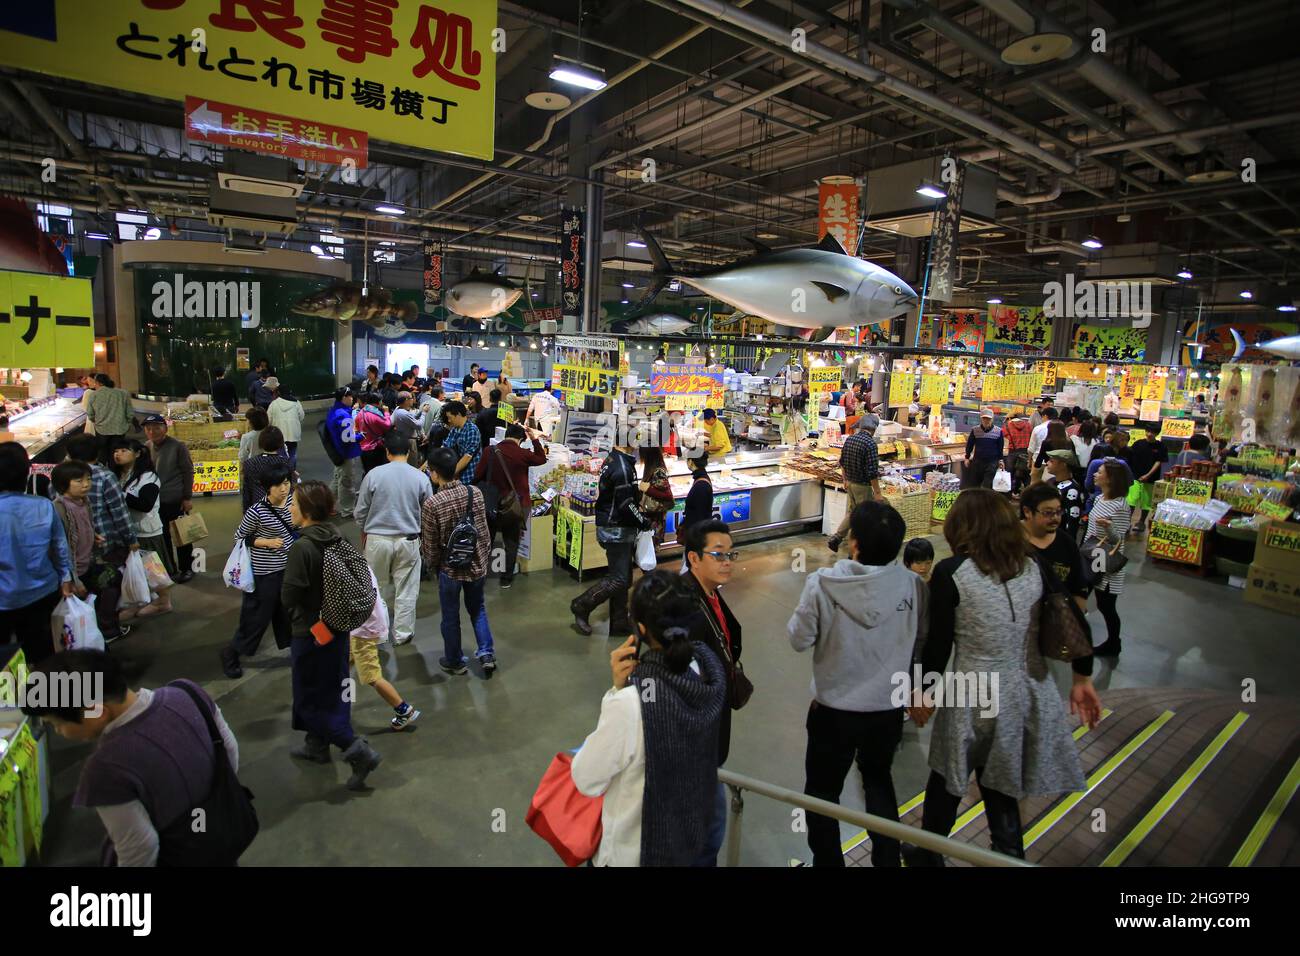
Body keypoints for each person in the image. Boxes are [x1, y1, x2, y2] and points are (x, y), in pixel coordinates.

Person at [906, 490, 1100, 865]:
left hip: (972, 689)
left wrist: (924, 690)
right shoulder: (1032, 563)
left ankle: (929, 856)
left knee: (947, 777)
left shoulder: (952, 572)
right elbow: (1073, 617)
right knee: (1001, 782)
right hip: (1025, 686)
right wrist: (1082, 678)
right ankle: (1009, 856)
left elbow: (938, 645)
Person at [789, 500, 925, 868]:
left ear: (855, 544)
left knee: (821, 793)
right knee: (879, 782)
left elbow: (798, 639)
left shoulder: (822, 584)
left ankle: (829, 864)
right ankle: (886, 860)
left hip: (833, 711)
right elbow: (919, 642)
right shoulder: (913, 586)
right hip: (886, 710)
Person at [21, 649, 244, 866]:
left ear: (96, 711)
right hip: (222, 837)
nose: (59, 732)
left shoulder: (105, 769)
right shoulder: (187, 693)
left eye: (56, 724)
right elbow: (229, 750)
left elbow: (140, 848)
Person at [571, 571, 727, 867]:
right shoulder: (710, 673)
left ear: (640, 629)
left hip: (636, 854)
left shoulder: (632, 704)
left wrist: (615, 693)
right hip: (690, 842)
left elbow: (586, 779)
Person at [280, 480, 382, 789]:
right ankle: (316, 747)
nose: (290, 508)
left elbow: (289, 596)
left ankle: (357, 751)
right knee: (332, 691)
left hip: (310, 634)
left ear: (308, 511)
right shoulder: (336, 536)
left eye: (294, 504)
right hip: (336, 629)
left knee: (311, 697)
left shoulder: (302, 547)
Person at [682, 519, 744, 866]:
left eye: (730, 554)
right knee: (708, 827)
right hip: (698, 737)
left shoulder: (710, 594)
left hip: (712, 729)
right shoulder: (688, 609)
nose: (727, 562)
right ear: (693, 558)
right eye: (718, 555)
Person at [421, 447, 496, 677]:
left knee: (450, 615)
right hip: (476, 565)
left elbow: (431, 544)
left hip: (450, 569)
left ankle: (455, 661)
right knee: (478, 609)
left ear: (434, 474)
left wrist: (433, 567)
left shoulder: (432, 504)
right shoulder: (475, 493)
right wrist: (482, 558)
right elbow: (483, 531)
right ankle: (486, 654)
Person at [220, 461, 297, 678]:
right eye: (278, 485)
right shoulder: (257, 511)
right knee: (257, 617)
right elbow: (240, 537)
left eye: (286, 483)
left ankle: (297, 651)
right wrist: (265, 542)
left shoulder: (294, 501)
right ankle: (231, 653)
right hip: (265, 572)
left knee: (289, 613)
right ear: (267, 487)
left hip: (289, 568)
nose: (284, 488)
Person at [355, 433, 431, 647]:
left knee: (375, 587)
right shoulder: (420, 477)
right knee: (406, 589)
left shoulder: (373, 475)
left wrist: (364, 528)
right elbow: (428, 511)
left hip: (377, 539)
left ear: (387, 452)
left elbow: (361, 511)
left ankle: (377, 632)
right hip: (408, 540)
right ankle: (402, 634)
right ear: (409, 452)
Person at [0, 444, 73, 665]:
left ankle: (12, 696)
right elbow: (60, 546)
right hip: (42, 591)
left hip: (3, 599)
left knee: (5, 659)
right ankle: (49, 696)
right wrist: (66, 578)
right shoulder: (43, 505)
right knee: (44, 651)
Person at [51, 461, 132, 644]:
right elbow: (60, 545)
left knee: (112, 583)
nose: (86, 484)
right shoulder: (59, 508)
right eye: (79, 481)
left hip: (89, 562)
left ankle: (102, 628)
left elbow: (82, 527)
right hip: (74, 571)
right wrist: (72, 580)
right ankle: (98, 633)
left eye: (88, 479)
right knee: (94, 596)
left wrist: (93, 535)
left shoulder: (83, 501)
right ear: (63, 484)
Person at [570, 436, 641, 637]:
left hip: (613, 527)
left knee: (624, 578)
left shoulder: (614, 459)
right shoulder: (622, 468)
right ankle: (581, 605)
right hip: (616, 529)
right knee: (618, 578)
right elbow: (626, 504)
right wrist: (642, 521)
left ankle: (619, 622)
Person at [474, 422, 547, 588]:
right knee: (511, 541)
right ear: (520, 439)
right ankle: (506, 579)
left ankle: (483, 575)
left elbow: (478, 475)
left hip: (492, 504)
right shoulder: (523, 453)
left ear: (506, 434)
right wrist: (534, 439)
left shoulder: (489, 451)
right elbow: (542, 459)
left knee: (488, 539)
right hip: (516, 504)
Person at [110, 438, 172, 617]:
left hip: (147, 530)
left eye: (123, 450)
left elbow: (145, 504)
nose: (118, 454)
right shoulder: (118, 475)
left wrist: (119, 494)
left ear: (137, 453)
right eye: (116, 451)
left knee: (153, 569)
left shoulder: (149, 477)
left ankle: (163, 601)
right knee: (136, 568)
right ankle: (140, 599)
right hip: (128, 531)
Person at [1084, 461, 1132, 658]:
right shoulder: (1099, 499)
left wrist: (1108, 528)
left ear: (1110, 478)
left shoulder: (1120, 505)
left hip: (1106, 562)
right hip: (1091, 555)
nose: (1095, 474)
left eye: (1100, 472)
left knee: (1106, 604)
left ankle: (1114, 643)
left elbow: (1118, 539)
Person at [142, 416, 195, 584]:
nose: (152, 431)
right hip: (155, 502)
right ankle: (169, 568)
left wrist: (187, 497)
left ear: (165, 428)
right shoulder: (146, 447)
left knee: (181, 536)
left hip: (175, 499)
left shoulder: (178, 447)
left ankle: (187, 568)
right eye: (148, 428)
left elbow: (188, 471)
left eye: (156, 427)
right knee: (162, 537)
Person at [1020, 483, 1089, 610]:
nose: (1055, 518)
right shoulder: (1009, 540)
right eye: (1048, 513)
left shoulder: (1066, 543)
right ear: (1027, 511)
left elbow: (1078, 587)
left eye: (1058, 511)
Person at [828, 414, 882, 553]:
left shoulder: (850, 439)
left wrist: (845, 480)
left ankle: (837, 538)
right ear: (874, 429)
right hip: (862, 486)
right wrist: (877, 492)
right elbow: (872, 472)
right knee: (864, 518)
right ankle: (858, 549)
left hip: (850, 483)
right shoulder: (870, 444)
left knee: (852, 513)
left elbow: (842, 462)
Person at [326, 387, 363, 519]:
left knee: (337, 479)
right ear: (344, 398)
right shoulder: (343, 415)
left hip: (338, 451)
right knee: (346, 482)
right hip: (346, 452)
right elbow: (348, 438)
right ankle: (347, 510)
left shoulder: (334, 411)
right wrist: (360, 436)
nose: (352, 399)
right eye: (350, 396)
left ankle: (327, 505)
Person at [1126, 422, 1167, 536]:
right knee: (1131, 501)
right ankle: (1127, 522)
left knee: (1146, 503)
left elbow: (1159, 462)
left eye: (1152, 432)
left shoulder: (1161, 446)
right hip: (1134, 477)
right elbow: (1130, 459)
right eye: (1147, 431)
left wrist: (1148, 475)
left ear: (1157, 433)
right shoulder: (1138, 444)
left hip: (1151, 479)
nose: (1149, 434)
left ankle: (1141, 522)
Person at [242, 426, 290, 513]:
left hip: (258, 508)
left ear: (261, 442)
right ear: (280, 442)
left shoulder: (250, 463)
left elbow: (247, 491)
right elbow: (290, 490)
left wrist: (246, 512)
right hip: (281, 507)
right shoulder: (286, 462)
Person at [86, 374, 133, 456]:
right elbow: (130, 412)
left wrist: (96, 421)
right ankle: (114, 467)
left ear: (99, 383)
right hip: (119, 428)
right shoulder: (123, 393)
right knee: (117, 453)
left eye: (95, 383)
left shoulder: (94, 395)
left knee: (102, 453)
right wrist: (128, 423)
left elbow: (90, 414)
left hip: (102, 429)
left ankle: (103, 468)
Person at [638, 444, 674, 547]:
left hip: (655, 519)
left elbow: (667, 495)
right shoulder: (651, 469)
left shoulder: (658, 471)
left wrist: (648, 489)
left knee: (651, 549)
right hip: (652, 517)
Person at [1043, 449, 1084, 539]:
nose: (1047, 463)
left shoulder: (1072, 489)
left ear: (1063, 464)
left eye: (1052, 461)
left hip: (1058, 535)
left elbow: (1073, 519)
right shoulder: (1050, 481)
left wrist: (1068, 542)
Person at [440, 400, 482, 486]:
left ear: (458, 414)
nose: (449, 420)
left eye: (450, 417)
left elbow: (467, 457)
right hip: (458, 472)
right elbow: (445, 446)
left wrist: (449, 475)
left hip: (469, 475)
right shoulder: (456, 429)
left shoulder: (472, 430)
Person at [963, 409, 1006, 490]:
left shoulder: (998, 431)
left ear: (992, 419)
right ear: (981, 419)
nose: (986, 421)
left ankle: (984, 501)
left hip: (992, 462)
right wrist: (967, 457)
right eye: (984, 418)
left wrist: (1001, 460)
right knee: (975, 485)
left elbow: (1000, 447)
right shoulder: (975, 430)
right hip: (977, 461)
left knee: (986, 485)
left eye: (988, 419)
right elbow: (970, 445)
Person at [268, 380, 305, 469]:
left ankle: (283, 471)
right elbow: (302, 416)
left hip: (279, 434)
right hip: (293, 432)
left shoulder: (274, 404)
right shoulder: (296, 403)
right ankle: (291, 471)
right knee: (292, 453)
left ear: (279, 392)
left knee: (281, 453)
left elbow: (268, 419)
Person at [355, 392, 392, 474]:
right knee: (378, 472)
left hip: (363, 448)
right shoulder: (375, 415)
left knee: (368, 472)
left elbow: (356, 428)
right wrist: (386, 413)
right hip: (375, 448)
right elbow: (387, 425)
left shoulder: (361, 412)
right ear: (378, 402)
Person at [388, 391, 426, 465]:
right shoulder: (403, 413)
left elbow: (410, 419)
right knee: (412, 464)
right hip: (409, 441)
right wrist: (424, 413)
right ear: (406, 400)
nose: (413, 400)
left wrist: (420, 412)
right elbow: (419, 426)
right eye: (411, 398)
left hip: (404, 439)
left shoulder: (398, 409)